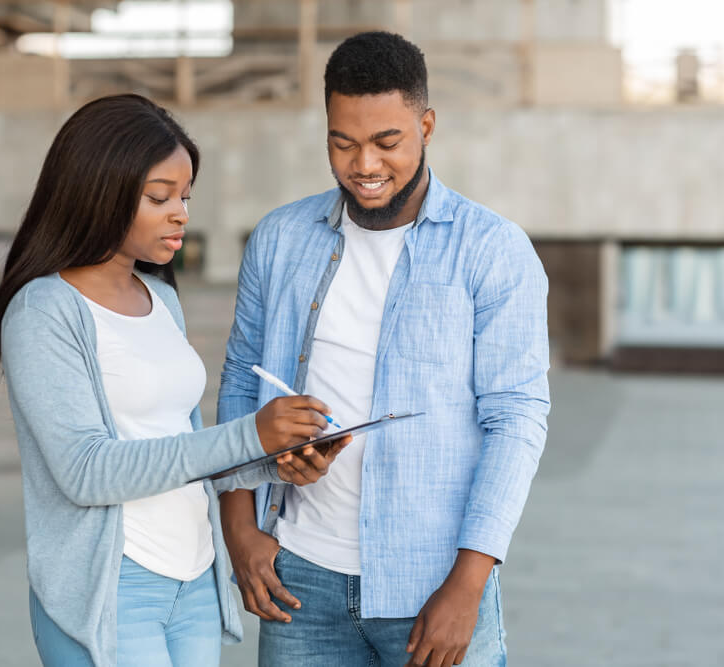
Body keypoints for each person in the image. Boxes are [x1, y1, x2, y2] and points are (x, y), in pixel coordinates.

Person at [0, 94, 349, 667]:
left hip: (195, 579)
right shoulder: (44, 310)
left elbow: (182, 439)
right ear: (100, 189)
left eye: (185, 196)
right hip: (114, 588)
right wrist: (250, 435)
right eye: (159, 197)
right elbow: (85, 472)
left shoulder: (162, 299)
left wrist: (276, 459)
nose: (180, 213)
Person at [218, 32, 550, 667]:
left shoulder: (492, 251)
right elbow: (240, 381)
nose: (364, 165)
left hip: (433, 584)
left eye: (386, 142)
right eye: (342, 143)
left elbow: (516, 420)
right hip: (299, 579)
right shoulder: (280, 239)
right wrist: (239, 527)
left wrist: (468, 585)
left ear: (426, 126)